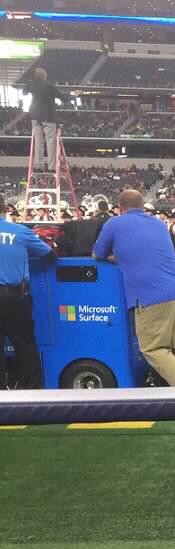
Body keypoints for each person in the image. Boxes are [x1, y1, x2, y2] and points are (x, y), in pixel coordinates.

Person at [93, 188, 175, 386]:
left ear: (120, 208)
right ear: (142, 206)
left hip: (150, 295)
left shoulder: (114, 223)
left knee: (153, 349)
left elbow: (98, 253)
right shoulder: (157, 223)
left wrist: (117, 257)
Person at [0, 194, 57, 389]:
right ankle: (32, 393)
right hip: (15, 297)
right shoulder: (20, 232)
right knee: (25, 346)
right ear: (6, 209)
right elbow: (50, 256)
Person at [23, 67, 70, 172]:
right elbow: (63, 98)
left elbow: (24, 92)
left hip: (35, 116)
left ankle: (38, 165)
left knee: (38, 142)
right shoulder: (49, 86)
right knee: (50, 142)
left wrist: (30, 83)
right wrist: (73, 95)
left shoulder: (31, 84)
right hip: (48, 117)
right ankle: (51, 167)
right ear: (45, 76)